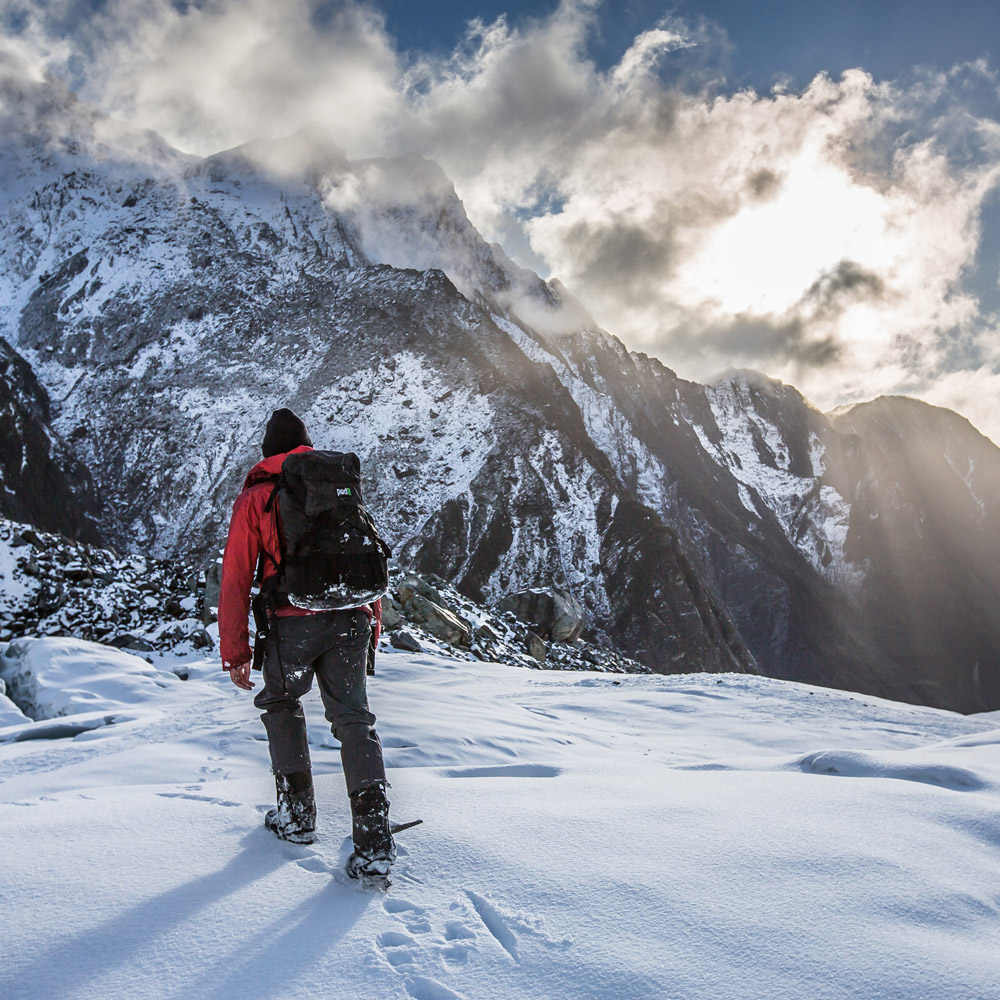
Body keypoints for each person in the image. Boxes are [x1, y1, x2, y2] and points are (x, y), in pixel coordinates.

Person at [217, 407, 395, 880]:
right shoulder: (337, 488)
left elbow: (235, 578)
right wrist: (372, 623)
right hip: (352, 618)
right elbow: (358, 555)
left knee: (281, 702)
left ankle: (296, 816)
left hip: (292, 623)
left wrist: (234, 652)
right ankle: (375, 839)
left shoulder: (258, 495)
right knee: (354, 719)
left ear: (268, 452)